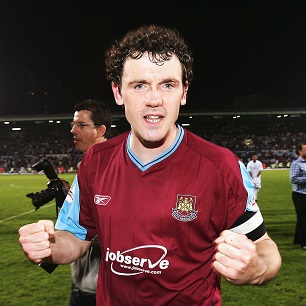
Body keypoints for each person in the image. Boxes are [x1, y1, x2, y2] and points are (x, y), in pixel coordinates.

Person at [19, 24, 281, 305]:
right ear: (118, 92)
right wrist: (47, 245)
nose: (154, 100)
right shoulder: (96, 161)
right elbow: (75, 238)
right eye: (140, 85)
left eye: (168, 85)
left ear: (183, 92)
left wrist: (257, 268)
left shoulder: (221, 166)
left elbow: (265, 248)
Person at [290, 143, 306, 250]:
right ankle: (304, 242)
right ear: (300, 151)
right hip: (300, 194)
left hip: (304, 193)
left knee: (302, 218)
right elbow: (293, 179)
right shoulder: (296, 164)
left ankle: (298, 239)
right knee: (303, 218)